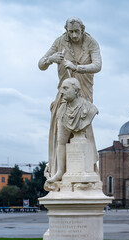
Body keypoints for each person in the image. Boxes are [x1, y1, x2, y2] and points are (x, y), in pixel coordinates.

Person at [38, 17, 102, 183]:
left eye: (77, 32)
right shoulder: (60, 41)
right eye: (70, 32)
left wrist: (77, 68)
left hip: (83, 92)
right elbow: (40, 64)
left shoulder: (92, 43)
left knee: (83, 131)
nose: (74, 35)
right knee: (61, 133)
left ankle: (88, 171)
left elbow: (98, 65)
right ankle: (60, 171)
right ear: (66, 30)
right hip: (65, 92)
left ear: (83, 29)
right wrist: (50, 59)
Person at [46, 78, 98, 182]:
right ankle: (60, 172)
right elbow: (61, 142)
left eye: (65, 88)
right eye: (61, 89)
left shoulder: (89, 108)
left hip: (82, 142)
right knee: (60, 142)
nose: (61, 92)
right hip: (65, 116)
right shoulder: (61, 110)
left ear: (76, 90)